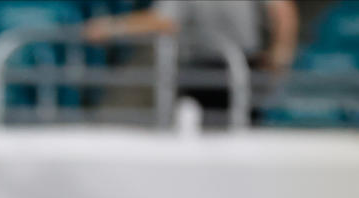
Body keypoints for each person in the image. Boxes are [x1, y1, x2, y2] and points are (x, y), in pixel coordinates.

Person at [84, 0, 298, 124]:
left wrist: (111, 27)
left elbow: (163, 20)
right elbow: (283, 12)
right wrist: (279, 57)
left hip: (208, 74)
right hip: (245, 70)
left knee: (208, 143)